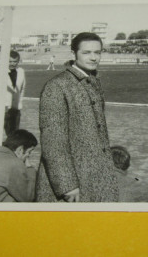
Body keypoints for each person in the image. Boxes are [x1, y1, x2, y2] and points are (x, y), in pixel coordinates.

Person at [35, 32, 119, 202]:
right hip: (72, 183)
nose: (94, 57)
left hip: (92, 175)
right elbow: (53, 140)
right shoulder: (57, 86)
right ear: (73, 54)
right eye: (86, 53)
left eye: (98, 52)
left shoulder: (92, 80)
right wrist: (66, 184)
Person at [0, 50, 26, 136]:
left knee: (13, 135)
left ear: (18, 61)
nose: (12, 64)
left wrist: (19, 103)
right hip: (1, 109)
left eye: (15, 61)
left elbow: (22, 89)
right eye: (10, 61)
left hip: (15, 109)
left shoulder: (21, 71)